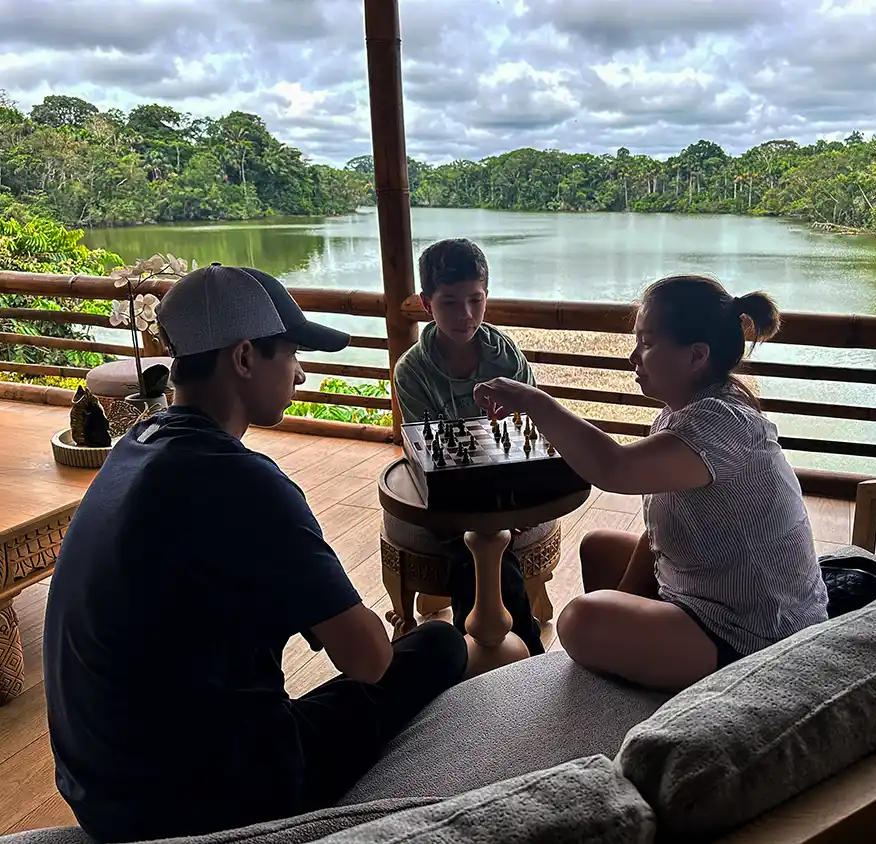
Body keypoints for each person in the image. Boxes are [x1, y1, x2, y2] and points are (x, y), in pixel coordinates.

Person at [42, 263, 468, 844]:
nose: (300, 369)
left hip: (99, 791)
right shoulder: (243, 481)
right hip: (211, 799)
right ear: (244, 358)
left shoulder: (131, 450)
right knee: (438, 644)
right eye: (289, 352)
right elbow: (369, 660)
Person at [474, 273, 829, 692]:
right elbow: (659, 528)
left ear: (697, 355)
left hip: (756, 634)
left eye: (647, 342)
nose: (632, 357)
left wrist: (532, 400)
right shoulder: (680, 413)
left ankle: (648, 669)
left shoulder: (723, 424)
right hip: (707, 588)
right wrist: (624, 602)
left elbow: (615, 468)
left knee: (579, 620)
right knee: (597, 548)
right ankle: (635, 661)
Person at [389, 238, 546, 654]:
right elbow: (427, 453)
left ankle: (478, 653)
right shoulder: (412, 371)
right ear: (426, 304)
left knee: (487, 551)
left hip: (504, 482)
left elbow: (530, 425)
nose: (466, 314)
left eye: (476, 300)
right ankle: (517, 649)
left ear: (486, 297)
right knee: (477, 554)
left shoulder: (504, 354)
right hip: (449, 496)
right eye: (450, 302)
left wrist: (518, 502)